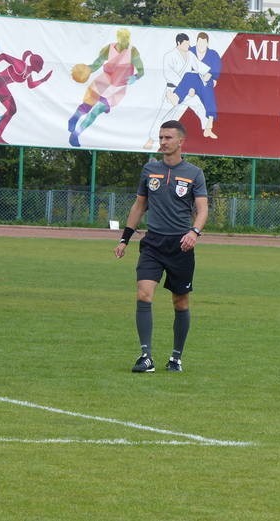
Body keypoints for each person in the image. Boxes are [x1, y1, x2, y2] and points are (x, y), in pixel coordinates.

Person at [115, 120, 208, 373]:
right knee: (144, 294)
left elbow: (202, 209)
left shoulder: (194, 173)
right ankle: (146, 357)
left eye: (168, 138)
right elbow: (139, 206)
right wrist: (125, 238)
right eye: (161, 137)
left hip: (181, 245)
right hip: (153, 243)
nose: (163, 142)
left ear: (180, 141)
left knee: (180, 302)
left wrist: (194, 232)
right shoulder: (149, 170)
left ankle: (176, 358)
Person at [67, 28, 144, 147]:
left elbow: (141, 71)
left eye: (126, 38)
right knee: (87, 105)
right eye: (122, 37)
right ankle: (73, 119)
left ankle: (76, 135)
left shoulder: (132, 51)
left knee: (95, 111)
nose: (124, 40)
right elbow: (96, 64)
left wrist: (136, 77)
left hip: (118, 87)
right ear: (118, 38)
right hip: (105, 79)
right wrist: (87, 69)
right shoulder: (109, 48)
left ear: (129, 38)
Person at [143, 34, 210, 150]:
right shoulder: (169, 56)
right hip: (174, 89)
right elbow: (168, 74)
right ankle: (151, 140)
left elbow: (200, 67)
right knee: (164, 116)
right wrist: (184, 85)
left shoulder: (190, 55)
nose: (188, 46)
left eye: (189, 44)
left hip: (187, 92)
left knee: (200, 107)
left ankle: (207, 130)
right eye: (186, 44)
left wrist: (206, 74)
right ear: (179, 43)